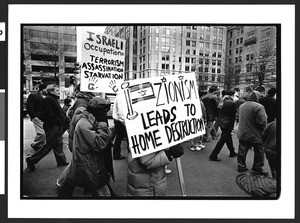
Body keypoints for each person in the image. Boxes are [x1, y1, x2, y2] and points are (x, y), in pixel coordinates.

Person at [57, 98, 113, 198]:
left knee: (89, 189)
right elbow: (99, 144)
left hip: (88, 162)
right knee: (100, 190)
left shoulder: (88, 120)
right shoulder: (86, 124)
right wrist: (103, 126)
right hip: (90, 165)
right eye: (104, 111)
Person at [26, 84, 69, 171]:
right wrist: (59, 120)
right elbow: (48, 114)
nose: (59, 92)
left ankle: (61, 161)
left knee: (58, 143)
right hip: (52, 125)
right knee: (49, 145)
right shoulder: (49, 99)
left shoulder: (52, 98)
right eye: (57, 90)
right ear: (52, 91)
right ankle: (31, 160)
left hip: (55, 125)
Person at [237, 91, 268, 175]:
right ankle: (257, 167)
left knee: (242, 150)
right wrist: (264, 131)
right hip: (255, 133)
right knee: (259, 151)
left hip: (243, 131)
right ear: (257, 98)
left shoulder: (242, 106)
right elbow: (262, 121)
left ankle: (241, 166)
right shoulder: (259, 106)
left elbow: (238, 117)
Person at [209, 90, 237, 161]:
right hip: (228, 123)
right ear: (231, 95)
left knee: (227, 138)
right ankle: (213, 155)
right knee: (222, 140)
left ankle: (232, 151)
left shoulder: (221, 101)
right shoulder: (231, 102)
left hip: (222, 122)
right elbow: (233, 114)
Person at [26, 83, 47, 151]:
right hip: (36, 117)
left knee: (44, 132)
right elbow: (29, 106)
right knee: (42, 133)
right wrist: (34, 115)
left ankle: (42, 145)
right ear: (43, 89)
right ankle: (35, 144)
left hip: (42, 117)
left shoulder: (45, 96)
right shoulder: (34, 95)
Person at [112, 93, 127, 160]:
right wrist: (124, 122)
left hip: (118, 120)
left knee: (118, 138)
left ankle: (116, 154)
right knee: (120, 138)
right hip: (121, 121)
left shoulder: (118, 96)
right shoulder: (121, 97)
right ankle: (116, 154)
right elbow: (121, 112)